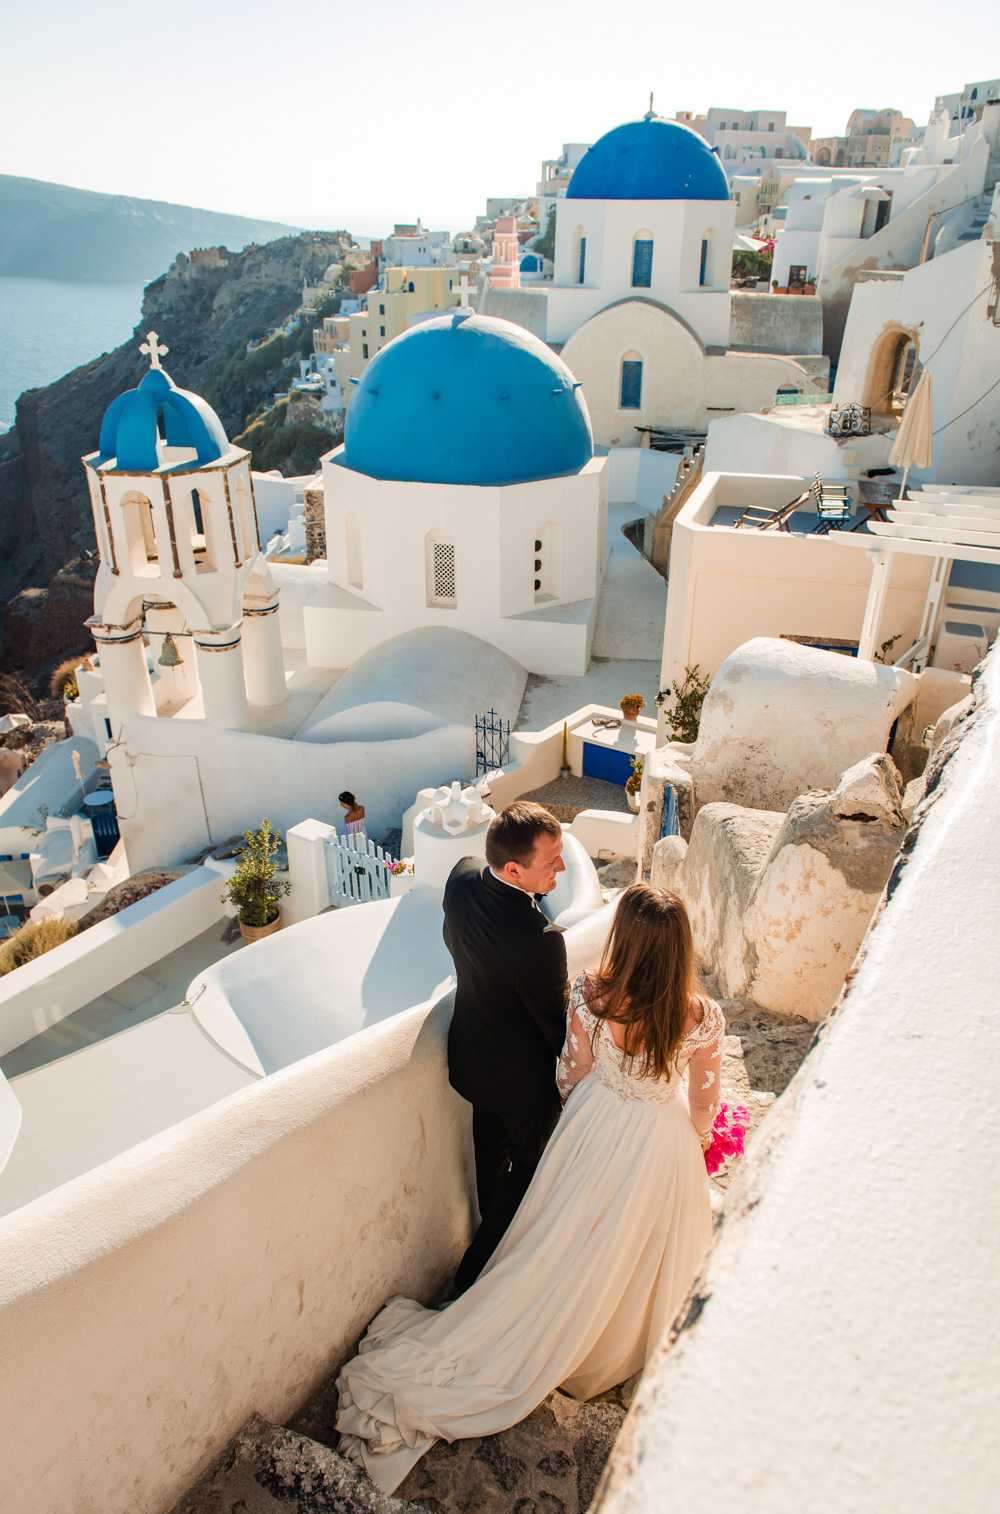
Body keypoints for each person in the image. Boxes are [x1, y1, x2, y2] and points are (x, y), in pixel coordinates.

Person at [335, 884, 724, 1495]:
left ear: (622, 936)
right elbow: (705, 1104)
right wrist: (689, 1141)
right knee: (643, 1244)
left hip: (595, 1124)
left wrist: (588, 1114)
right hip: (660, 1139)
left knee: (566, 1236)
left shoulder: (592, 996)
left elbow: (570, 1074)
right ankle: (616, 1341)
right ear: (680, 950)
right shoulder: (699, 1016)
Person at [443, 801, 568, 1292]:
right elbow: (554, 1029)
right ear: (514, 869)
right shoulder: (539, 939)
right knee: (526, 1172)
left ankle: (490, 1239)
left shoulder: (462, 876)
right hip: (522, 1084)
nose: (561, 867)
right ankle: (476, 1271)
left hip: (473, 1060)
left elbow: (455, 941)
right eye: (551, 861)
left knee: (489, 1157)